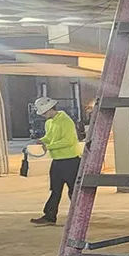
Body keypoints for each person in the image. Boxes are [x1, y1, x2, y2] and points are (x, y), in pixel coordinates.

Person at [31, 96, 82, 226]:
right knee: (55, 190)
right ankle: (49, 216)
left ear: (49, 109)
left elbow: (68, 141)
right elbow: (50, 136)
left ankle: (79, 218)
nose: (42, 115)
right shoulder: (50, 122)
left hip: (71, 161)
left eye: (43, 113)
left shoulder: (66, 121)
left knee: (73, 191)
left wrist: (49, 146)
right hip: (57, 161)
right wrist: (43, 140)